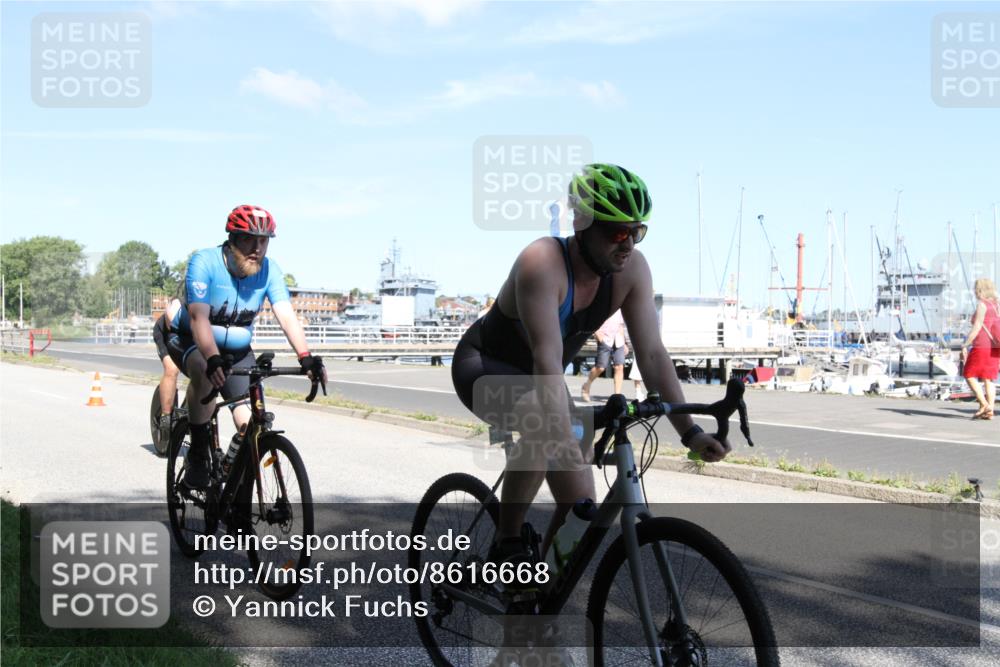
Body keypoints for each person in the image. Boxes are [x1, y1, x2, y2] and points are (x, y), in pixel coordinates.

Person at [451, 163, 730, 570]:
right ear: (582, 225)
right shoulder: (541, 261)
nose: (629, 244)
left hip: (540, 380)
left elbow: (651, 354)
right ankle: (507, 539)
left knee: (580, 508)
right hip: (484, 366)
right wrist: (560, 430)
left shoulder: (631, 271)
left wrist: (689, 430)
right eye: (618, 232)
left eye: (637, 231)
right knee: (544, 421)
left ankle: (536, 594)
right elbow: (546, 357)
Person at [168, 205, 327, 489]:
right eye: (249, 239)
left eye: (264, 240)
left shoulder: (269, 270)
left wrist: (306, 357)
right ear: (232, 239)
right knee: (204, 370)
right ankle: (197, 455)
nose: (257, 248)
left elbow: (286, 315)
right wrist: (213, 357)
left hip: (237, 351)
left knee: (249, 426)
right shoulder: (204, 262)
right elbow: (198, 317)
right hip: (191, 338)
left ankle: (235, 501)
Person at [960, 277, 1000, 420]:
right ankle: (990, 412)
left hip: (982, 345)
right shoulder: (997, 304)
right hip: (996, 346)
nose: (974, 291)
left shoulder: (982, 305)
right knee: (988, 379)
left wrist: (965, 344)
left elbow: (977, 327)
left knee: (968, 374)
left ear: (980, 290)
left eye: (976, 289)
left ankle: (984, 405)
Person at [579, 309, 627, 401]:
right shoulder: (604, 302)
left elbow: (620, 325)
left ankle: (617, 397)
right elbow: (592, 320)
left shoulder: (620, 306)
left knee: (619, 367)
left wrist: (624, 343)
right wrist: (598, 335)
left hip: (618, 339)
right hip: (605, 338)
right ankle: (587, 385)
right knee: (601, 367)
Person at [152, 297, 183, 443]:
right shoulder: (179, 303)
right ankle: (165, 416)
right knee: (172, 369)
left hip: (189, 334)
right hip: (166, 332)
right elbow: (171, 324)